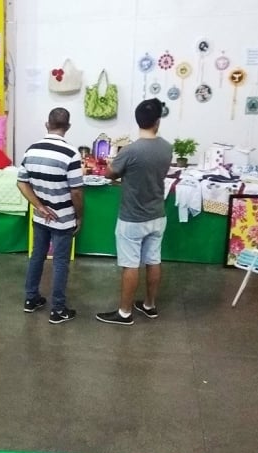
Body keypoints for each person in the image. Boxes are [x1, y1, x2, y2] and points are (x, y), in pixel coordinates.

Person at [96, 99, 172, 326]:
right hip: (157, 214)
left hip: (132, 217)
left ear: (138, 120)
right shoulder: (167, 148)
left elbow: (109, 174)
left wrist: (116, 166)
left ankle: (125, 312)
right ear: (157, 122)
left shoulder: (130, 151)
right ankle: (149, 305)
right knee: (153, 260)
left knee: (131, 265)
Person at [17, 107, 84, 324]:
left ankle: (31, 299)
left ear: (47, 124)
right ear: (68, 127)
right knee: (60, 262)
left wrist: (39, 206)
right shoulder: (71, 154)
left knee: (37, 255)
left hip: (40, 217)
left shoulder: (31, 150)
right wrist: (79, 216)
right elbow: (76, 191)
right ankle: (57, 309)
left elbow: (21, 182)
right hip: (63, 218)